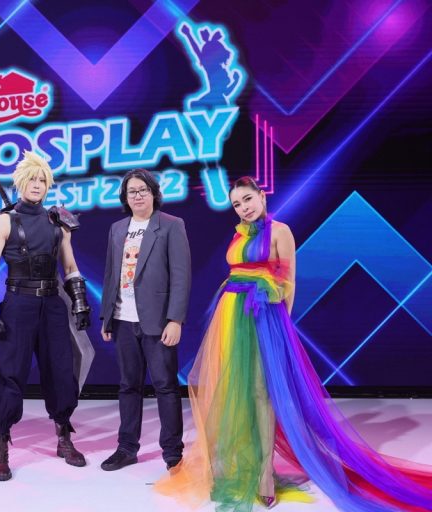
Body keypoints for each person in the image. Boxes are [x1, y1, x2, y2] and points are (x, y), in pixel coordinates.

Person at [156, 176, 432, 511]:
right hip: (231, 316)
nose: (243, 208)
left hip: (263, 316)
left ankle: (264, 473)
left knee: (261, 393)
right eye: (237, 204)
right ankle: (235, 462)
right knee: (233, 389)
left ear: (261, 196)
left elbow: (288, 282)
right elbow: (236, 273)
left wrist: (280, 328)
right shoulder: (239, 233)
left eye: (247, 199)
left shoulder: (280, 231)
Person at [0, 150, 91, 481]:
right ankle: (1, 443)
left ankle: (63, 434)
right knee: (9, 372)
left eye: (43, 180)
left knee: (60, 370)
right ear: (20, 182)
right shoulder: (3, 221)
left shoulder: (59, 222)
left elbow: (70, 265)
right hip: (18, 304)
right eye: (32, 179)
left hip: (52, 304)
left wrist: (80, 304)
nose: (37, 184)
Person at [98, 168, 191, 472]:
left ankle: (173, 452)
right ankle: (127, 448)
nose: (137, 196)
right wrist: (107, 316)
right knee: (128, 386)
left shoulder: (171, 225)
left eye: (143, 190)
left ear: (153, 193)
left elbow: (181, 276)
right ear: (125, 198)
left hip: (158, 321)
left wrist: (175, 319)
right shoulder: (117, 229)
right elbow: (111, 274)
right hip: (123, 319)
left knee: (165, 385)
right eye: (132, 192)